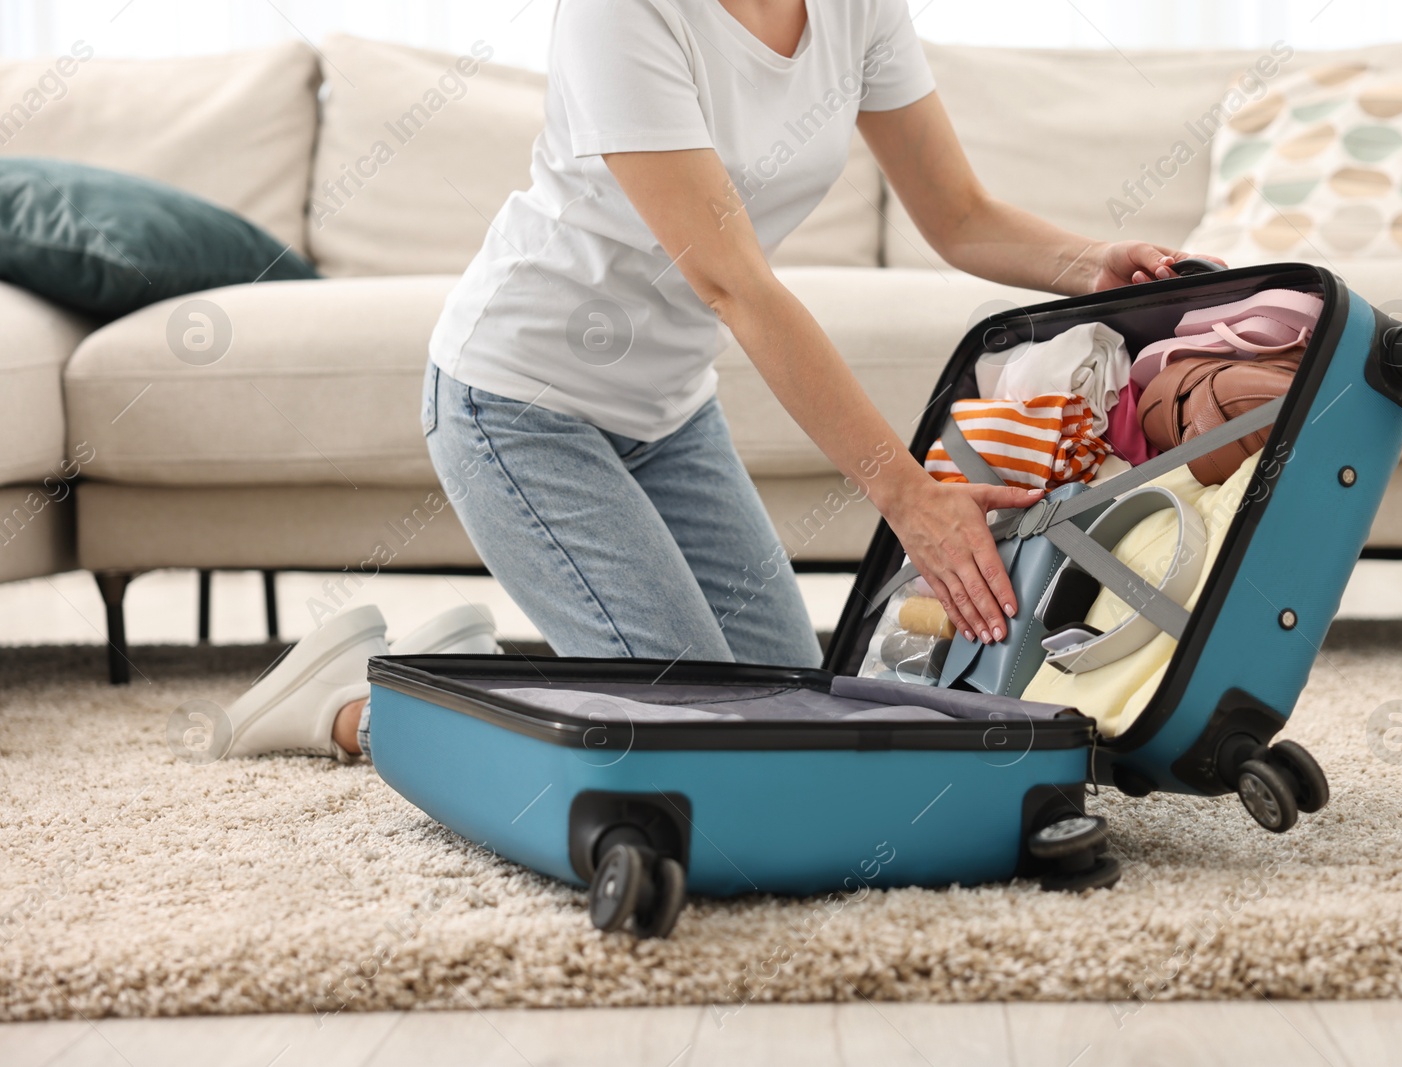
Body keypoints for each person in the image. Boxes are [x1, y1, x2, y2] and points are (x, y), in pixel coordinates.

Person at [220, 0, 1220, 760]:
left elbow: (956, 212)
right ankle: (354, 703)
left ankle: (454, 655)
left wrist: (1091, 263)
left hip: (669, 416)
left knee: (791, 711)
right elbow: (731, 281)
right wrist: (909, 496)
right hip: (515, 402)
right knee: (696, 733)